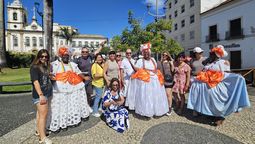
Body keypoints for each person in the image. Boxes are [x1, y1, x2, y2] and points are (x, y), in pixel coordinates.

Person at [187, 45, 250, 126]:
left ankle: (220, 117)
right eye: (211, 54)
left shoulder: (224, 62)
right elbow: (204, 72)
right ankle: (212, 115)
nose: (210, 55)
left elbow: (227, 74)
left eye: (212, 54)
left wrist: (237, 77)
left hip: (217, 87)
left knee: (218, 102)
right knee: (210, 101)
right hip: (209, 86)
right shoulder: (210, 63)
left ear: (216, 55)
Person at [47, 47, 90, 132]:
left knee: (72, 104)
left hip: (73, 87)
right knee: (61, 106)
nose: (66, 57)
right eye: (64, 55)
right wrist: (51, 77)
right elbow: (51, 74)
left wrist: (84, 77)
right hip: (60, 89)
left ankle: (73, 120)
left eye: (67, 55)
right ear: (61, 56)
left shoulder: (73, 65)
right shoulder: (55, 64)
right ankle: (60, 124)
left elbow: (79, 72)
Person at [127, 42, 169, 117]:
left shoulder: (153, 59)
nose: (146, 54)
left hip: (154, 82)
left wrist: (154, 73)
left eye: (147, 52)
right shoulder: (140, 61)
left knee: (155, 96)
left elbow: (156, 68)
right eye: (145, 53)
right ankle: (146, 111)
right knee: (146, 97)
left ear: (150, 53)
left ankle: (155, 110)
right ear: (143, 53)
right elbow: (137, 70)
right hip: (145, 83)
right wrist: (131, 63)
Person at [30, 49, 53, 144]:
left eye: (46, 57)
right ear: (38, 57)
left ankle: (38, 131)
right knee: (43, 115)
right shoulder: (34, 67)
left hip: (47, 93)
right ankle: (42, 138)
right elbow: (35, 82)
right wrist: (41, 95)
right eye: (42, 56)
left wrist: (50, 75)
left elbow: (44, 77)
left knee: (40, 114)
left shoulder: (45, 66)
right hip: (40, 95)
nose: (44, 58)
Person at [74, 42, 105, 107]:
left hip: (89, 79)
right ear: (81, 52)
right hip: (81, 79)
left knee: (88, 94)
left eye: (86, 52)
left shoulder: (90, 57)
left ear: (88, 52)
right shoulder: (78, 59)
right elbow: (74, 69)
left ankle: (88, 106)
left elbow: (96, 52)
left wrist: (101, 46)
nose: (85, 53)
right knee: (81, 94)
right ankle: (81, 106)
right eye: (83, 52)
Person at [157, 51, 174, 115]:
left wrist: (172, 64)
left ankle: (169, 108)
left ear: (168, 56)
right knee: (162, 94)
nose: (164, 56)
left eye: (166, 55)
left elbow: (173, 70)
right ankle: (164, 107)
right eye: (163, 55)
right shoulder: (159, 62)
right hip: (161, 80)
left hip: (168, 80)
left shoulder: (170, 62)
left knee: (168, 94)